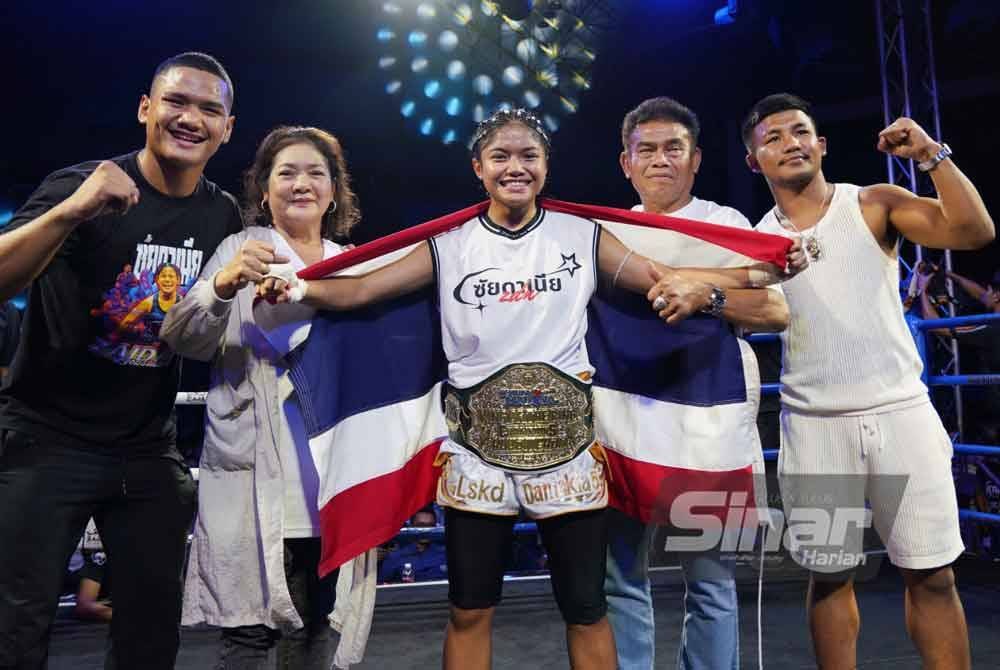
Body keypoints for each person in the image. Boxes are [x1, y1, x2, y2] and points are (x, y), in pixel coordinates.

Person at [259, 108, 803, 670]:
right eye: (500, 156)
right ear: (478, 167)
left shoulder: (583, 235)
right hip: (476, 457)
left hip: (568, 457)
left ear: (545, 166)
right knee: (470, 610)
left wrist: (763, 269)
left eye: (528, 156)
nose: (515, 167)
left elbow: (661, 277)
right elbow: (363, 289)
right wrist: (298, 288)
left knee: (587, 609)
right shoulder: (451, 244)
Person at [0, 52, 241, 669]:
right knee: (16, 626)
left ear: (227, 128)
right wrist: (71, 212)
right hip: (46, 438)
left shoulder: (223, 217)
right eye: (176, 102)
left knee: (153, 631)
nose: (190, 119)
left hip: (145, 448)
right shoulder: (77, 185)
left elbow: (215, 330)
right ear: (145, 109)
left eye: (208, 109)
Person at [743, 92, 994, 669]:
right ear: (755, 161)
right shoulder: (754, 239)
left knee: (932, 575)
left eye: (801, 130)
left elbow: (973, 231)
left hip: (900, 413)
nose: (791, 143)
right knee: (829, 579)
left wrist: (931, 154)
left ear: (821, 144)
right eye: (773, 137)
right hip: (813, 424)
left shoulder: (873, 204)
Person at [161, 125, 360, 670]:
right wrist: (222, 285)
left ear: (334, 191)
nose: (302, 183)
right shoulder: (238, 250)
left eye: (315, 173)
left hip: (328, 485)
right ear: (264, 190)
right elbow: (183, 338)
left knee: (314, 634)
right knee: (246, 641)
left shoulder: (354, 265)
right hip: (249, 478)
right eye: (287, 173)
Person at [600, 97, 789, 670]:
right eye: (647, 149)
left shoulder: (727, 225)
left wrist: (707, 295)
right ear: (626, 163)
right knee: (619, 577)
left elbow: (775, 310)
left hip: (706, 417)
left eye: (673, 148)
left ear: (696, 158)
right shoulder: (604, 231)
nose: (661, 160)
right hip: (620, 417)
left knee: (710, 582)